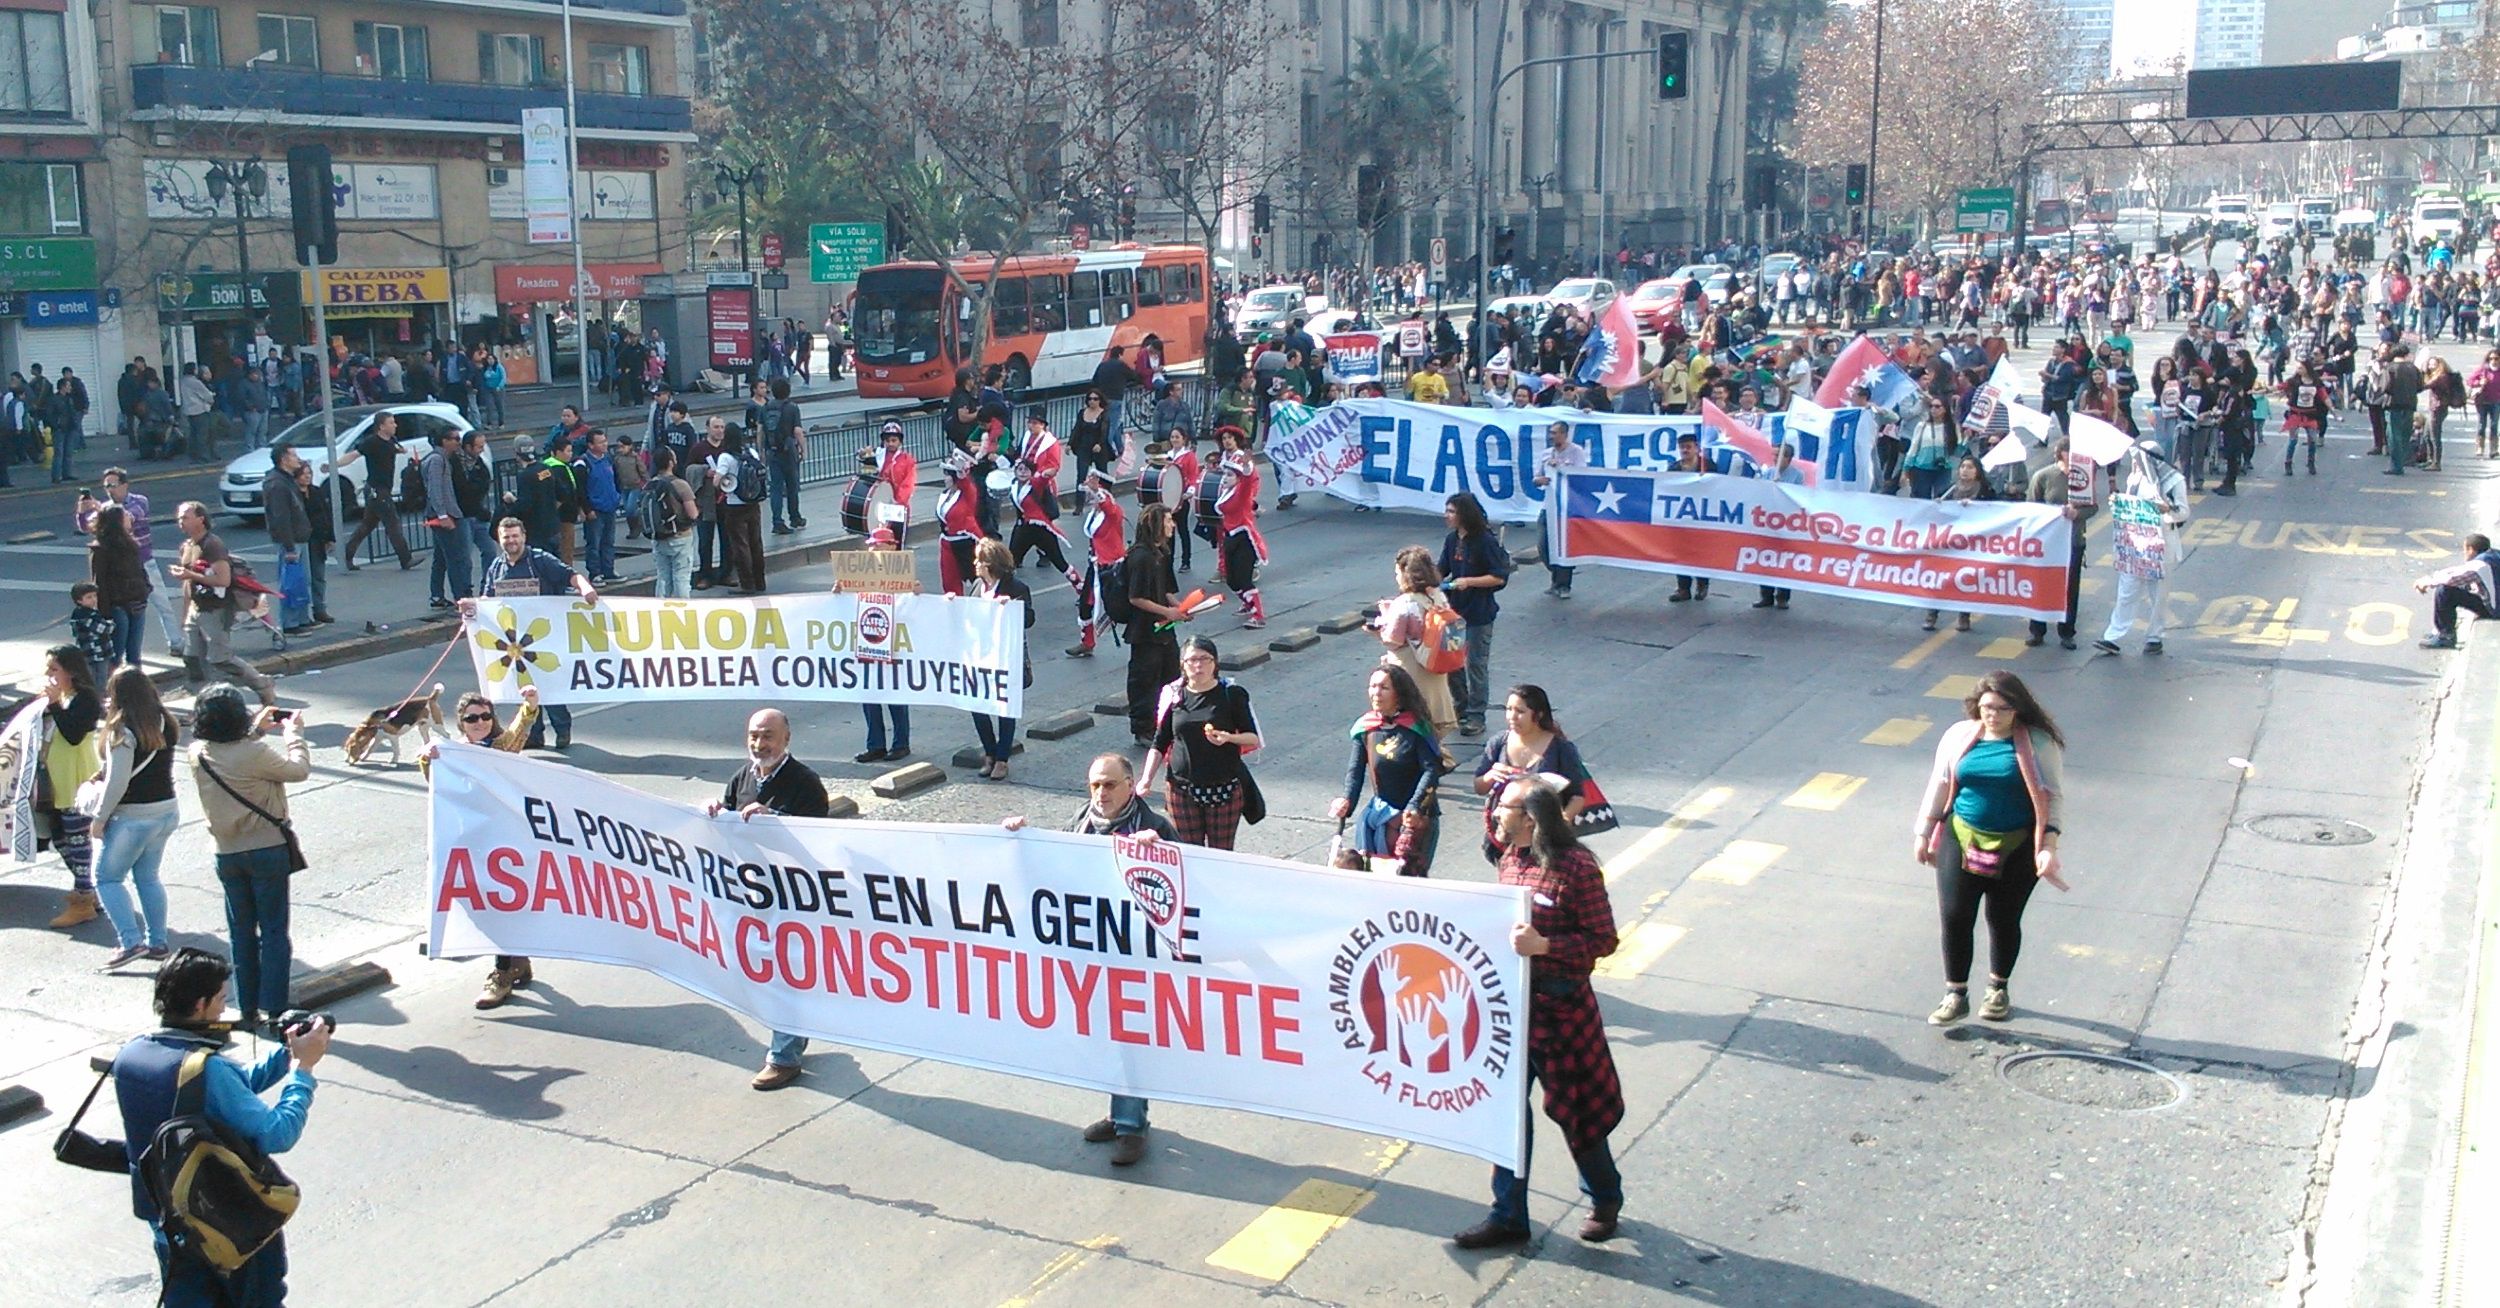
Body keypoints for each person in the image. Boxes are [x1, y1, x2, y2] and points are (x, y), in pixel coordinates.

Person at [1453, 777, 1625, 1249]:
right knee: (1507, 1114)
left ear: (1530, 818)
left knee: (1576, 1114)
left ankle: (1604, 1196)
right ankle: (1508, 1215)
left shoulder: (1576, 867)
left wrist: (1545, 945)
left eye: (1503, 809)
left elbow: (1602, 940)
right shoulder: (1510, 859)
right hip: (1512, 1010)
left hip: (1562, 1012)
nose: (1495, 816)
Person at [111, 947, 327, 1308]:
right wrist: (302, 1071)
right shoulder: (209, 1069)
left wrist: (287, 1051)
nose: (223, 1008)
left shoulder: (132, 1055)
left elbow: (219, 1094)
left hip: (166, 1217)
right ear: (199, 1004)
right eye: (221, 999)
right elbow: (278, 1133)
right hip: (227, 1220)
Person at [1000, 753, 1179, 1167]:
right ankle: (1121, 1115)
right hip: (1091, 953)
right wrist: (1022, 838)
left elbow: (1183, 888)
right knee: (1105, 1038)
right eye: (1095, 785)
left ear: (1131, 785)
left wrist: (1160, 853)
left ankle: (1133, 1127)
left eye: (1110, 784)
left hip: (1135, 957)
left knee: (1128, 1040)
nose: (1101, 793)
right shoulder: (1083, 820)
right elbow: (1054, 864)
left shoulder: (1153, 827)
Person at [1913, 670, 2070, 1025]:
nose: (1992, 715)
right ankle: (1955, 994)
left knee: (2002, 919)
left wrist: (2049, 846)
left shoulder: (2038, 743)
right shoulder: (1959, 736)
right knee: (1954, 916)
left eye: (2001, 708)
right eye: (1986, 707)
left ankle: (1997, 989)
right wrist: (1923, 832)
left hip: (2016, 844)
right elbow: (1939, 783)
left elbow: (2054, 797)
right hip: (1962, 835)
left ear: (2017, 710)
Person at [712, 708, 832, 1090]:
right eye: (753, 736)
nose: (759, 744)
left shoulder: (805, 783)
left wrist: (775, 819)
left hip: (792, 900)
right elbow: (729, 822)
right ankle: (797, 1032)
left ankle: (784, 1056)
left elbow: (819, 843)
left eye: (767, 736)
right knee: (760, 972)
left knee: (787, 975)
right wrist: (716, 813)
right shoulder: (742, 777)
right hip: (752, 898)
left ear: (786, 740)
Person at [188, 684, 310, 1031]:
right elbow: (297, 770)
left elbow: (232, 754)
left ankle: (246, 1007)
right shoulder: (255, 753)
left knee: (240, 931)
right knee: (273, 930)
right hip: (267, 848)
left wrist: (256, 730)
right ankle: (274, 1006)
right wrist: (294, 735)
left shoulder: (197, 753)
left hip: (227, 853)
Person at [420, 686, 542, 1007]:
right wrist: (428, 760)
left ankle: (502, 973)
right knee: (485, 905)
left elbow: (519, 731)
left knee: (501, 904)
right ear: (461, 723)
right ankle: (518, 961)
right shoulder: (452, 753)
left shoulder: (499, 748)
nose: (480, 723)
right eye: (472, 718)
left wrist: (529, 705)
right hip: (471, 843)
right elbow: (435, 783)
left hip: (504, 843)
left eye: (485, 716)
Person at [467, 518, 599, 749]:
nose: (511, 541)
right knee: (526, 690)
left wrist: (585, 588)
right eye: (506, 537)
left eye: (515, 536)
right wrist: (471, 607)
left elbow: (571, 575)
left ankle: (562, 727)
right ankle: (535, 734)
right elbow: (486, 600)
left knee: (548, 686)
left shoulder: (540, 560)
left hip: (544, 638)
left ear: (524, 537)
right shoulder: (496, 567)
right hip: (514, 645)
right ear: (499, 540)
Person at [0, 644, 105, 927]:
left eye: (54, 669)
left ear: (71, 671)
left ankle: (84, 899)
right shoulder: (60, 698)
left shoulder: (86, 699)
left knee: (77, 839)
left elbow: (72, 734)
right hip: (52, 784)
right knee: (58, 835)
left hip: (75, 781)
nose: (48, 674)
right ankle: (90, 891)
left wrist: (56, 704)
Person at [90, 665, 182, 968]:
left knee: (106, 878)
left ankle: (130, 942)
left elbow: (118, 781)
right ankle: (158, 942)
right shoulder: (163, 721)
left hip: (132, 816)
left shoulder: (122, 730)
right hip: (166, 810)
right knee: (148, 877)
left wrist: (100, 818)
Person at [1139, 636, 1262, 850]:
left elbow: (1253, 737)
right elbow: (1159, 743)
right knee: (1186, 851)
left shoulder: (1231, 694)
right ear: (1183, 666)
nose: (1198, 665)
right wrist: (1146, 780)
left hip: (1224, 786)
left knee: (1220, 853)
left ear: (1215, 663)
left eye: (1205, 659)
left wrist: (1229, 737)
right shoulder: (1175, 696)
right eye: (1192, 660)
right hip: (1181, 787)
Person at [1331, 665, 1446, 876]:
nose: (1376, 692)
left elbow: (1431, 771)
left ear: (1399, 694)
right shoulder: (1366, 728)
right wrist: (1347, 800)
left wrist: (1413, 806)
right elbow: (1355, 770)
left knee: (1408, 880)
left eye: (1384, 687)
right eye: (1372, 686)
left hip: (1414, 819)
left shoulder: (1417, 728)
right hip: (1379, 814)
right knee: (1371, 877)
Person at [1470, 684, 1596, 859]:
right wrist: (1490, 776)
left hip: (1544, 840)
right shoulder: (1498, 743)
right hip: (1505, 836)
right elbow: (1479, 787)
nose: (1512, 717)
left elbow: (1577, 796)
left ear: (1539, 714)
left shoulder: (1561, 748)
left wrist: (1561, 820)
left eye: (1520, 711)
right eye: (1508, 709)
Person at [170, 501, 278, 706]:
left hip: (216, 608)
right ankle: (204, 701)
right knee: (192, 658)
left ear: (201, 520)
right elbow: (187, 583)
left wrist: (191, 574)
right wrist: (185, 614)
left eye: (185, 517)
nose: (180, 522)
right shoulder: (187, 546)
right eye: (179, 518)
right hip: (196, 608)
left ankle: (262, 684)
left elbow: (223, 580)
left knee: (221, 658)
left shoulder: (212, 545)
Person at [2093, 439, 2190, 657]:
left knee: (2159, 595)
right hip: (2136, 546)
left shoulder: (2174, 481)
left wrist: (2166, 509)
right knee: (2127, 591)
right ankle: (2112, 636)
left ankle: (2154, 637)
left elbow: (2183, 512)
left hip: (2162, 545)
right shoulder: (2134, 478)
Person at [78, 469, 183, 651]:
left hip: (144, 563)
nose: (110, 490)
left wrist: (100, 509)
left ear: (125, 485)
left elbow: (127, 518)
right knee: (127, 608)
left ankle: (176, 642)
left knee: (163, 604)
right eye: (106, 486)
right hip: (121, 567)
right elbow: (87, 527)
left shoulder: (138, 501)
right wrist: (82, 512)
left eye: (113, 485)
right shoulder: (105, 508)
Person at [1436, 492, 1511, 738]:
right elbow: (1441, 570)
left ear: (1464, 514)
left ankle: (1476, 714)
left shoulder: (1484, 542)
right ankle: (1460, 707)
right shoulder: (1452, 540)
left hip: (1479, 614)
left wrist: (1469, 581)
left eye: (1451, 512)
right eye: (1446, 511)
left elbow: (1499, 577)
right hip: (1454, 614)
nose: (1446, 516)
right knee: (1452, 663)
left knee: (1476, 664)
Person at [1373, 545, 1459, 737]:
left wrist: (1381, 622)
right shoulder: (1437, 596)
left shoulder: (1405, 602)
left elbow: (1392, 640)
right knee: (1434, 725)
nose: (1396, 577)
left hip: (1411, 670)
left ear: (1406, 574)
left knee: (1413, 723)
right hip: (1436, 664)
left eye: (1397, 573)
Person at [1123, 503, 1188, 749]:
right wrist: (1167, 612)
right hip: (1144, 631)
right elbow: (1136, 598)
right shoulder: (1140, 557)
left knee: (1172, 677)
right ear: (1155, 524)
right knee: (1144, 681)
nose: (1172, 524)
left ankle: (1168, 722)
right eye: (1168, 520)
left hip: (1165, 629)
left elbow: (1167, 589)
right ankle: (1143, 728)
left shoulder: (1163, 553)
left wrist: (1180, 608)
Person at [969, 539, 1033, 780]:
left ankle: (1002, 759)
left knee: (1004, 707)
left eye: (979, 560)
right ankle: (989, 752)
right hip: (981, 655)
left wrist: (1011, 608)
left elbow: (1029, 618)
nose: (975, 564)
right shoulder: (977, 586)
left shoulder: (1016, 587)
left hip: (1005, 656)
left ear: (990, 564)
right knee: (977, 705)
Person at [2024, 439, 2094, 651]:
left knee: (2069, 588)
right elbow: (2031, 508)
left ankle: (2067, 632)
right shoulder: (2044, 476)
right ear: (2062, 454)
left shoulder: (2085, 478)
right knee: (2041, 585)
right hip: (2047, 544)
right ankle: (2037, 629)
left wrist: (2077, 513)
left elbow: (2093, 507)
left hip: (2073, 541)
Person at [1923, 456, 1993, 634]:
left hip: (1971, 544)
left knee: (1966, 580)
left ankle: (1964, 616)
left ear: (1977, 471)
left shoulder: (1985, 490)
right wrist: (1937, 504)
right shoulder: (1951, 489)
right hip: (1950, 542)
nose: (1965, 470)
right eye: (1962, 466)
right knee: (1941, 579)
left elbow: (1995, 510)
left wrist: (1976, 506)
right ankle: (1932, 614)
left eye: (1970, 467)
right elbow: (1939, 511)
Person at [337, 411, 414, 570]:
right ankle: (405, 558)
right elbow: (353, 455)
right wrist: (336, 464)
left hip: (383, 487)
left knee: (367, 525)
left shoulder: (391, 440)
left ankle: (347, 555)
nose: (395, 425)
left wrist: (401, 451)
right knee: (392, 523)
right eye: (391, 423)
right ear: (381, 426)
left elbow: (391, 450)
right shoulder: (371, 442)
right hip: (377, 489)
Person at [1069, 469, 1126, 658]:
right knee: (1085, 603)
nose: (1090, 499)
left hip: (1111, 567)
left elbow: (1109, 507)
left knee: (1119, 605)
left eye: (1093, 495)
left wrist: (1097, 491)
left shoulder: (1114, 513)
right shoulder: (1095, 513)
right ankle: (1087, 642)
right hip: (1096, 565)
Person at [2413, 532, 2500, 650]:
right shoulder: (2494, 555)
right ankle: (2440, 631)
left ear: (2470, 549)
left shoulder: (2479, 565)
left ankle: (2446, 636)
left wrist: (2427, 582)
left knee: (2445, 590)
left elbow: (2452, 579)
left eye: (2464, 549)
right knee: (2461, 586)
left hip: (2496, 610)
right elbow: (2459, 571)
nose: (2464, 553)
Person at [1533, 421, 1587, 598]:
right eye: (1550, 432)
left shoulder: (1576, 452)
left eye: (1555, 433)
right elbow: (1536, 477)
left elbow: (1581, 477)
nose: (1552, 436)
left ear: (1564, 434)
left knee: (1564, 545)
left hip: (1567, 507)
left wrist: (1562, 468)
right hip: (1549, 505)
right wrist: (1540, 480)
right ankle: (1556, 576)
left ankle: (1563, 584)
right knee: (1544, 545)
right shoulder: (1546, 454)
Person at [714, 423, 769, 594]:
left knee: (740, 546)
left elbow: (717, 481)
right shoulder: (750, 452)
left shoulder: (725, 457)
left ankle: (747, 584)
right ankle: (760, 581)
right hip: (753, 503)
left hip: (735, 505)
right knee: (756, 543)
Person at [647, 446, 699, 598]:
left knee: (663, 577)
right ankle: (683, 613)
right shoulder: (680, 484)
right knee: (681, 577)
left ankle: (660, 611)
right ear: (671, 462)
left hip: (658, 537)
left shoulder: (651, 484)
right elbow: (693, 514)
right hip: (680, 537)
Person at [1666, 432, 1713, 601]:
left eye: (1688, 447)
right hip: (1681, 518)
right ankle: (1683, 588)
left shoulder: (1708, 466)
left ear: (1697, 448)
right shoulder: (1673, 468)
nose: (1685, 450)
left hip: (1702, 518)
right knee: (1681, 552)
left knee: (1701, 552)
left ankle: (1702, 584)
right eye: (1682, 447)